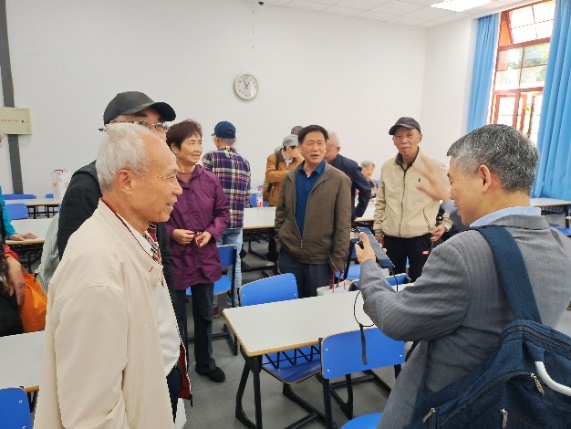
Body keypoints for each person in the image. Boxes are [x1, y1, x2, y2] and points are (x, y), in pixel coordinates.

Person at [356, 124, 571, 429]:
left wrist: (369, 268)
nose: (451, 192)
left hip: (447, 409)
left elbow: (395, 320)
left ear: (484, 178)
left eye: (453, 181)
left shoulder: (461, 253)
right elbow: (499, 239)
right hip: (512, 405)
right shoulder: (563, 248)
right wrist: (448, 203)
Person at [35, 124, 189, 428]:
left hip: (153, 379)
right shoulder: (97, 271)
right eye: (169, 177)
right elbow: (94, 416)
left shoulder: (132, 233)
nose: (178, 189)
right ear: (127, 181)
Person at [166, 120, 230, 383]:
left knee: (205, 314)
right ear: (174, 147)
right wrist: (172, 232)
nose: (197, 148)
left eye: (199, 142)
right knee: (176, 319)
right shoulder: (164, 180)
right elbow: (152, 217)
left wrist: (211, 232)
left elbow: (223, 213)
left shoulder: (210, 179)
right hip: (175, 259)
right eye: (191, 142)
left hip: (204, 257)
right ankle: (179, 370)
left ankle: (206, 363)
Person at [275, 125, 351, 298]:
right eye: (310, 143)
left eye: (320, 143)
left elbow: (343, 224)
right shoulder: (290, 177)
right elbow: (281, 213)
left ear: (325, 147)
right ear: (300, 147)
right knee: (290, 304)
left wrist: (338, 260)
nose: (315, 148)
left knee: (317, 308)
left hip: (321, 260)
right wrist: (280, 243)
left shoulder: (339, 180)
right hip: (290, 255)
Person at [373, 117, 451, 281]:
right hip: (391, 237)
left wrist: (446, 224)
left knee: (420, 282)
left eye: (409, 135)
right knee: (393, 281)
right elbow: (381, 201)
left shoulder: (434, 167)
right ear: (394, 141)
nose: (404, 140)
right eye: (398, 136)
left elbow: (453, 197)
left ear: (419, 138)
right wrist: (378, 229)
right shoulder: (387, 167)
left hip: (420, 236)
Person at [202, 121, 251, 310]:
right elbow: (246, 197)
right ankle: (234, 303)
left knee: (213, 262)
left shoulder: (210, 158)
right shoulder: (244, 162)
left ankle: (212, 306)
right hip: (236, 222)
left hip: (214, 223)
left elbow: (203, 191)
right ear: (233, 140)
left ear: (217, 139)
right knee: (235, 263)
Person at [263, 134, 303, 262]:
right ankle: (272, 256)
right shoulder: (273, 158)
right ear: (289, 148)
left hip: (293, 200)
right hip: (275, 199)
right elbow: (270, 176)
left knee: (290, 229)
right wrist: (290, 173)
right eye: (297, 148)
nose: (300, 150)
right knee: (274, 228)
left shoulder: (300, 160)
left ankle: (287, 256)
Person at [324, 132, 371, 220]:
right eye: (321, 150)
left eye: (327, 150)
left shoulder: (350, 167)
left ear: (337, 149)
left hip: (342, 217)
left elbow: (366, 189)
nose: (323, 154)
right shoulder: (315, 166)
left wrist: (357, 213)